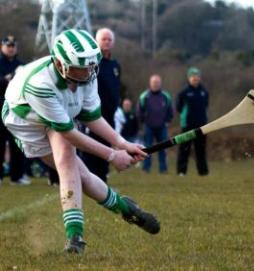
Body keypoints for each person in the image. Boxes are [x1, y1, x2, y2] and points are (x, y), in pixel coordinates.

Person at [2, 29, 159, 253]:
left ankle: (80, 235)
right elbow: (69, 133)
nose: (87, 73)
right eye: (79, 68)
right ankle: (122, 208)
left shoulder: (87, 74)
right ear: (60, 64)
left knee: (78, 171)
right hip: (25, 122)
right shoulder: (41, 84)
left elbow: (92, 117)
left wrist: (123, 143)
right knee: (69, 159)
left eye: (89, 67)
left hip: (58, 117)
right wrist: (112, 155)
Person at [83, 28, 121, 183]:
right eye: (104, 39)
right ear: (97, 41)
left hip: (110, 113)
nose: (107, 42)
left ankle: (103, 177)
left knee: (107, 144)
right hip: (94, 113)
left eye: (109, 39)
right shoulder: (92, 63)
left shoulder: (115, 65)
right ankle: (90, 177)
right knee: (91, 144)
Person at [0, 35, 30, 185]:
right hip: (0, 108)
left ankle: (17, 176)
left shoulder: (22, 65)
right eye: (8, 45)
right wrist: (6, 79)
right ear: (2, 47)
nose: (11, 48)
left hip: (17, 110)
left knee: (17, 143)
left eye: (13, 46)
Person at [176, 67, 209, 176]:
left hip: (202, 125)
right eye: (193, 76)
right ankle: (181, 171)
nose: (195, 78)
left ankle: (203, 172)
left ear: (200, 77)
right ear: (189, 78)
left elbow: (206, 106)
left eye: (197, 76)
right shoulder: (183, 93)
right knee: (184, 149)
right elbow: (179, 107)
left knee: (201, 149)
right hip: (187, 125)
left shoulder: (204, 92)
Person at [137, 75, 173, 173]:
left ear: (160, 83)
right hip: (148, 127)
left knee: (163, 148)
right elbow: (139, 111)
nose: (155, 84)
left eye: (157, 82)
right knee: (147, 148)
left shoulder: (166, 96)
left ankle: (163, 169)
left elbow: (170, 111)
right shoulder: (144, 96)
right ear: (150, 83)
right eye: (154, 82)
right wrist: (143, 123)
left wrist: (167, 121)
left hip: (162, 127)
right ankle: (146, 168)